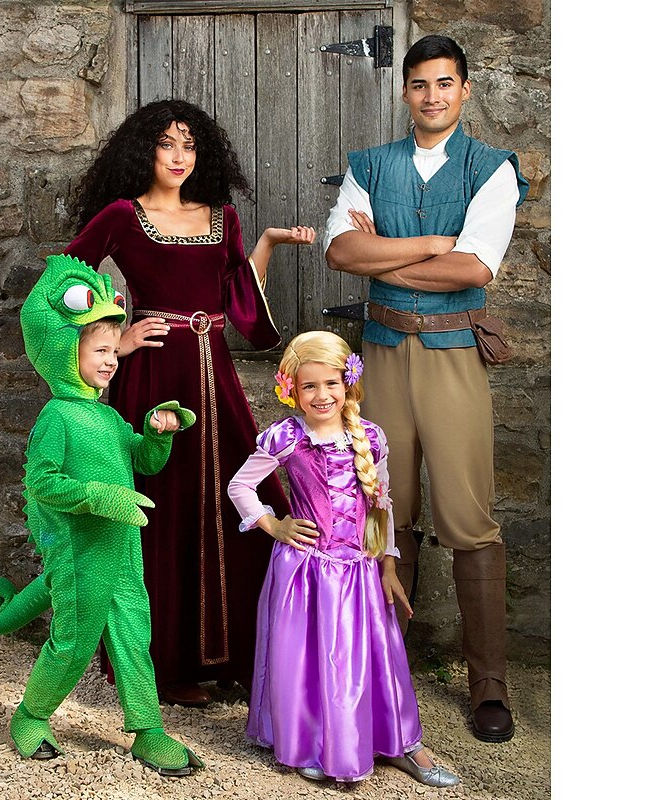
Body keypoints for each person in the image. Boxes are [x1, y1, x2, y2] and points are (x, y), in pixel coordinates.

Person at [62, 99, 316, 707]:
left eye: (190, 146)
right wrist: (116, 340)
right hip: (154, 375)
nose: (179, 157)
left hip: (215, 374)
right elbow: (63, 285)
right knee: (165, 503)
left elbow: (235, 295)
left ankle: (239, 654)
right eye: (167, 144)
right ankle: (165, 665)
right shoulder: (123, 216)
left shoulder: (221, 216)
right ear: (143, 151)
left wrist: (268, 243)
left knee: (236, 491)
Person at [323, 35, 529, 743]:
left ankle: (489, 687)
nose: (432, 96)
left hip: (452, 355)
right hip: (380, 354)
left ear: (464, 90)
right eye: (419, 84)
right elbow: (340, 250)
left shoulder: (491, 169)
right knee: (387, 510)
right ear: (405, 91)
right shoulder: (369, 165)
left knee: (469, 517)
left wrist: (383, 258)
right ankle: (383, 673)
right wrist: (431, 245)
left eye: (445, 83)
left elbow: (474, 269)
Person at [0, 254, 202, 775]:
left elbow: (143, 461)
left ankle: (147, 729)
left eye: (113, 351)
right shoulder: (57, 416)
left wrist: (157, 432)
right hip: (79, 553)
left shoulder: (109, 416)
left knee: (133, 637)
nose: (111, 360)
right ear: (64, 350)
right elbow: (42, 483)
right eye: (99, 350)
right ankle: (31, 715)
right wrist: (99, 497)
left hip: (122, 549)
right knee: (74, 641)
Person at [227, 331, 461, 786]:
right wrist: (273, 525)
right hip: (306, 572)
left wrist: (388, 564)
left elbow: (381, 504)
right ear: (291, 388)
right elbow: (240, 485)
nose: (322, 395)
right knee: (310, 660)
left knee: (372, 656)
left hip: (360, 570)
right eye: (309, 386)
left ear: (347, 381)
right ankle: (310, 741)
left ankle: (398, 741)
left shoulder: (370, 437)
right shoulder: (286, 437)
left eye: (331, 383)